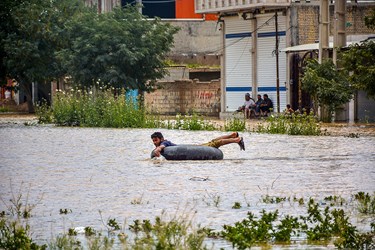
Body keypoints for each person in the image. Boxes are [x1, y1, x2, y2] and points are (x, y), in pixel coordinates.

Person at [151, 131, 245, 157]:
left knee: (216, 143)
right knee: (212, 141)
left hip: (197, 148)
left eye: (156, 140)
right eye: (153, 141)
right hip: (198, 147)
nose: (155, 142)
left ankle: (237, 140)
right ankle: (233, 135)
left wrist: (158, 149)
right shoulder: (164, 142)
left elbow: (163, 146)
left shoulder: (165, 142)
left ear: (161, 139)